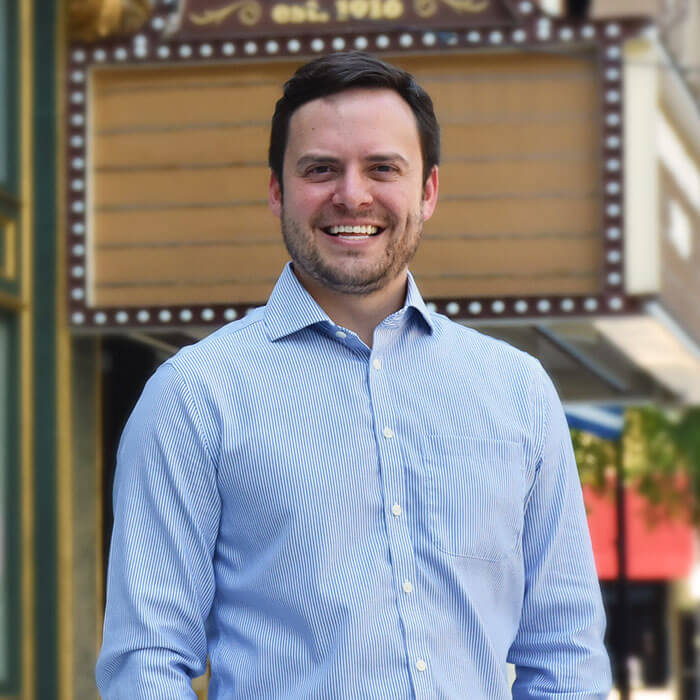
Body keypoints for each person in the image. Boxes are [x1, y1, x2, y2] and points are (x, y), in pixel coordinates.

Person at [96, 51, 611, 698]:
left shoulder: (519, 391)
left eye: (382, 168)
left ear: (428, 191)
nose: (352, 194)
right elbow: (147, 660)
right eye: (320, 170)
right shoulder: (194, 396)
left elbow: (563, 653)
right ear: (277, 190)